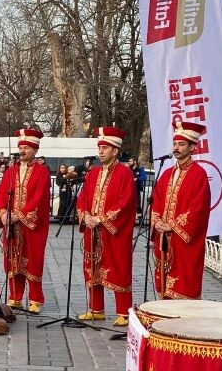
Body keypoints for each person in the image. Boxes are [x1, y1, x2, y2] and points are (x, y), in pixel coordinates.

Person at [76, 127, 136, 326]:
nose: (100, 151)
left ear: (115, 150)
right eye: (99, 147)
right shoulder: (92, 173)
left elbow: (125, 202)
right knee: (92, 267)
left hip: (113, 230)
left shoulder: (124, 173)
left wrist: (101, 219)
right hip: (92, 229)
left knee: (118, 267)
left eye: (105, 148)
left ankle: (124, 312)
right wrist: (84, 215)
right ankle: (96, 309)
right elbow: (83, 197)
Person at [150, 121, 210, 299]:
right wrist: (157, 221)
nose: (176, 148)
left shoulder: (199, 174)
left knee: (184, 283)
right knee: (163, 284)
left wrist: (173, 225)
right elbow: (157, 200)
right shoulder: (167, 173)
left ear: (192, 147)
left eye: (181, 144)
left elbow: (198, 209)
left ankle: (185, 321)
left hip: (184, 240)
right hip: (164, 238)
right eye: (175, 144)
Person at [0, 127, 51, 312]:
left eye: (26, 147)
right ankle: (15, 296)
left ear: (35, 149)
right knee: (12, 259)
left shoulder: (42, 171)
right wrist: (3, 213)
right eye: (21, 147)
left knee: (32, 259)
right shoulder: (11, 171)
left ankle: (35, 299)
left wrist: (18, 215)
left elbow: (39, 197)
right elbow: (2, 193)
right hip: (11, 224)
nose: (22, 151)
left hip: (32, 225)